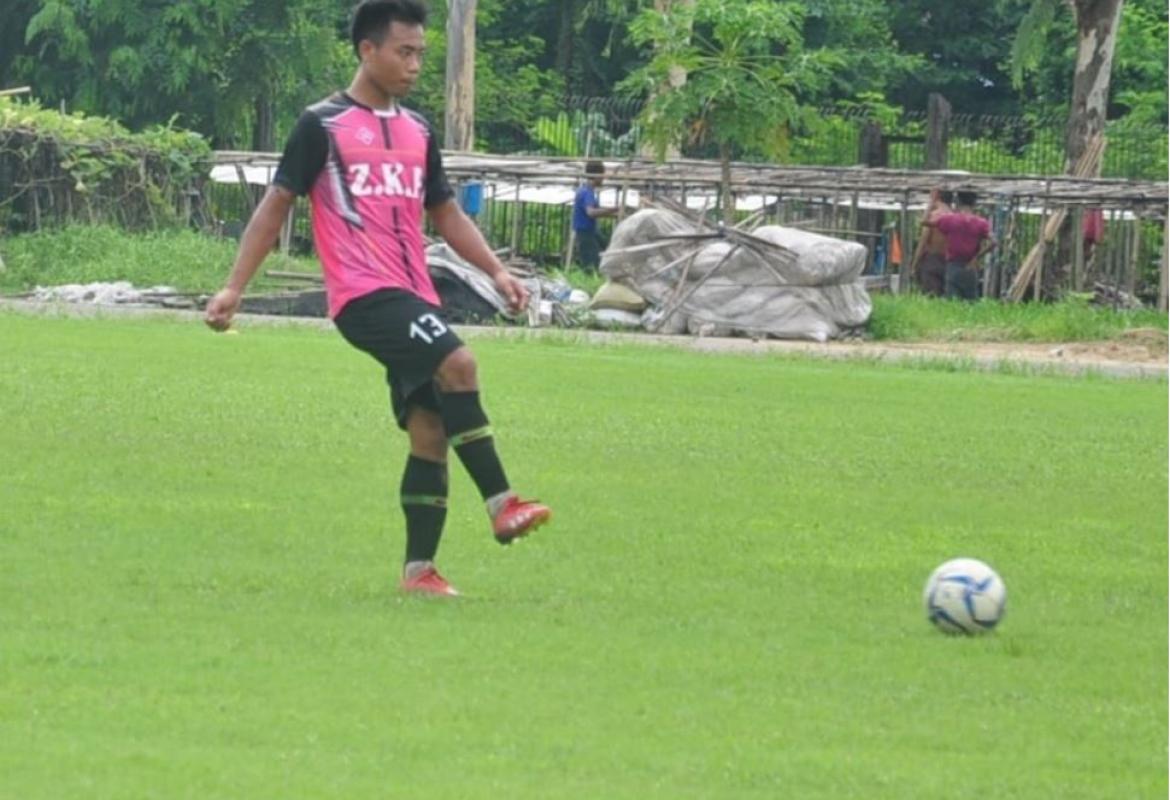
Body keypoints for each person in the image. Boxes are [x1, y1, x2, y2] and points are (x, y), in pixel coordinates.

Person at [204, 0, 551, 597]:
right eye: (404, 52)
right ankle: (502, 502)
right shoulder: (322, 124)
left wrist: (496, 271)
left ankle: (420, 572)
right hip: (365, 295)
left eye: (420, 53)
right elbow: (276, 205)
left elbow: (444, 212)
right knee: (460, 364)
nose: (415, 65)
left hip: (416, 295)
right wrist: (235, 286)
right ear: (368, 50)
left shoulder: (419, 130)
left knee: (430, 429)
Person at [922, 189, 996, 301]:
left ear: (958, 202)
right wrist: (976, 258)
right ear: (974, 203)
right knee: (971, 302)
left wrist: (932, 201)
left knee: (952, 303)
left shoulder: (950, 220)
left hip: (953, 266)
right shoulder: (981, 223)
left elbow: (924, 222)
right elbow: (994, 242)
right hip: (970, 268)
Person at [571, 160, 617, 270]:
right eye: (602, 175)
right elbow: (591, 212)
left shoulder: (585, 190)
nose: (603, 178)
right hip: (585, 232)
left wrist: (611, 213)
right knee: (592, 264)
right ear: (596, 175)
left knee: (606, 250)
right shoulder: (587, 192)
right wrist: (612, 210)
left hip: (590, 231)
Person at [910, 188, 953, 297]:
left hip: (932, 260)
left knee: (930, 296)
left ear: (936, 195)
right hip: (949, 262)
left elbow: (923, 242)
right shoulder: (955, 216)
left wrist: (914, 264)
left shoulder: (934, 216)